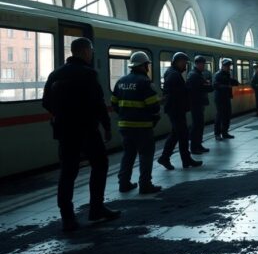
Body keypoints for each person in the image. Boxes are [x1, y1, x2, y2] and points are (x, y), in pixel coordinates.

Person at [42, 37, 120, 231]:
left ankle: (67, 218)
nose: (92, 53)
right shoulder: (88, 74)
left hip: (64, 130)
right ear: (85, 51)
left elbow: (45, 102)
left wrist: (61, 113)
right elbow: (98, 103)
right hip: (87, 129)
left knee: (67, 172)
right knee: (100, 165)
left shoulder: (56, 74)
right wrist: (107, 126)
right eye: (91, 50)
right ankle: (96, 208)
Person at [111, 51, 162, 194]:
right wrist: (153, 117)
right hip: (143, 127)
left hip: (125, 126)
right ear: (143, 65)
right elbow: (154, 106)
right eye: (147, 65)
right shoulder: (144, 82)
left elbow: (114, 103)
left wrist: (124, 115)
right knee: (145, 155)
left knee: (128, 154)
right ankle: (145, 185)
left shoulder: (121, 82)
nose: (148, 68)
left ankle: (124, 183)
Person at [158, 52, 203, 169]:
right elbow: (177, 93)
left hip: (175, 109)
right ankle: (184, 159)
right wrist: (188, 89)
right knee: (183, 135)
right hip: (176, 109)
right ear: (177, 62)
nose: (185, 65)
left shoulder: (172, 73)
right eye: (184, 63)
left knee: (176, 134)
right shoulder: (174, 75)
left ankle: (166, 158)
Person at [186, 55, 214, 154]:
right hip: (196, 103)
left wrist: (207, 84)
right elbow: (207, 87)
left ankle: (198, 145)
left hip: (198, 103)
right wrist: (207, 84)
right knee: (197, 125)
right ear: (198, 64)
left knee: (199, 125)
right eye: (202, 64)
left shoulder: (197, 74)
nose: (204, 66)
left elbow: (207, 86)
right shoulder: (195, 75)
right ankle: (194, 147)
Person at [214, 58, 240, 139]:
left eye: (229, 66)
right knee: (220, 116)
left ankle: (225, 132)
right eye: (227, 66)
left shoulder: (227, 74)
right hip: (220, 98)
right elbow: (215, 85)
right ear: (223, 66)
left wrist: (235, 82)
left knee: (227, 115)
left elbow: (231, 81)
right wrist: (227, 86)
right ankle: (217, 134)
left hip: (226, 97)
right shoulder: (218, 74)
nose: (229, 68)